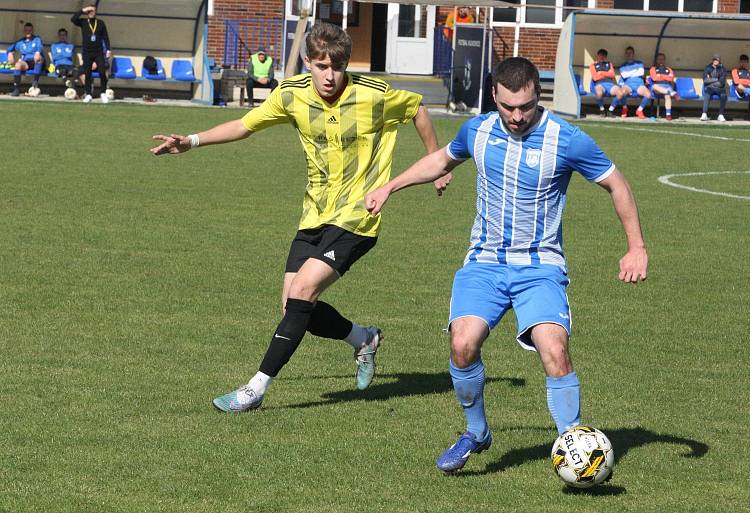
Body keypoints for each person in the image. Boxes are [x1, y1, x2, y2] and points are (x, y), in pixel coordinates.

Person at [364, 57, 648, 473]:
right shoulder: (476, 130)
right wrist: (391, 186)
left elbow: (616, 183)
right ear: (494, 95)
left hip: (540, 267)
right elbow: (442, 160)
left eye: (526, 107)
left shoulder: (566, 139)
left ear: (539, 96)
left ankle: (574, 445)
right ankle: (476, 433)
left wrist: (636, 246)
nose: (517, 116)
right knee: (462, 345)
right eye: (508, 107)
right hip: (484, 262)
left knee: (554, 350)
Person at [149, 22, 445, 413]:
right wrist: (192, 141)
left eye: (337, 67)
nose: (329, 75)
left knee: (304, 291)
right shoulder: (291, 95)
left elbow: (417, 109)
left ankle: (255, 389)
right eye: (321, 66)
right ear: (308, 62)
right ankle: (363, 338)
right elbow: (245, 124)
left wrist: (436, 162)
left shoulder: (373, 94)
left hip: (359, 216)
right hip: (314, 214)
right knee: (293, 307)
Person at [72, 4, 111, 103]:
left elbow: (105, 37)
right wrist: (82, 10)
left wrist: (108, 49)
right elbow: (73, 19)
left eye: (93, 11)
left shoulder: (101, 23)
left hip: (98, 52)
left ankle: (103, 93)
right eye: (89, 11)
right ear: (87, 12)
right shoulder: (84, 22)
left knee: (102, 73)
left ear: (96, 12)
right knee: (88, 74)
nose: (91, 13)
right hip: (87, 53)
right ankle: (88, 94)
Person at [6, 22, 44, 97]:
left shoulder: (37, 39)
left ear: (32, 31)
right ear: (24, 31)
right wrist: (9, 53)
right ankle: (16, 89)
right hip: (27, 62)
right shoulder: (20, 42)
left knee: (39, 58)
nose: (28, 32)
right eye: (26, 30)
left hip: (37, 62)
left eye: (30, 30)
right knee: (17, 65)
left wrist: (37, 52)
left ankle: (35, 82)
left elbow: (40, 48)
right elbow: (10, 49)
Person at [618, 46, 652, 119]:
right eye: (627, 53)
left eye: (630, 53)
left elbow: (641, 73)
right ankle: (624, 108)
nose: (629, 54)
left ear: (633, 54)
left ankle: (639, 110)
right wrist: (635, 71)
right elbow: (624, 75)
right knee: (621, 92)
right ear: (625, 54)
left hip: (639, 85)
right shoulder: (623, 65)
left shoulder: (639, 63)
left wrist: (629, 73)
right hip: (628, 85)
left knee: (648, 94)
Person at [590, 48, 624, 115]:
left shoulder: (609, 64)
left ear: (606, 57)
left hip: (610, 84)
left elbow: (612, 75)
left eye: (604, 55)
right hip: (599, 84)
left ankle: (610, 110)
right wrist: (607, 73)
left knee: (620, 93)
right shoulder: (593, 65)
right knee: (599, 93)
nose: (602, 57)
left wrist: (601, 73)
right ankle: (602, 110)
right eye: (600, 55)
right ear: (597, 56)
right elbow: (595, 77)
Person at [649, 52, 679, 121]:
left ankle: (668, 115)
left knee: (667, 95)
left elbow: (671, 78)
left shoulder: (669, 69)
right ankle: (670, 92)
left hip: (667, 86)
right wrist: (665, 77)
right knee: (654, 86)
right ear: (656, 60)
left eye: (662, 59)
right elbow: (654, 78)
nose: (661, 61)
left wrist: (660, 76)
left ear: (664, 60)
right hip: (657, 87)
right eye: (659, 59)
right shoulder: (653, 69)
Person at [701, 54, 727, 122]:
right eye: (714, 59)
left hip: (719, 88)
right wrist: (716, 79)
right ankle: (704, 114)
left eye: (717, 60)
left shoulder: (722, 69)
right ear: (712, 60)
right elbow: (705, 80)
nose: (716, 61)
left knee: (723, 95)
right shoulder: (708, 68)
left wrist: (711, 80)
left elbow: (722, 82)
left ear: (719, 61)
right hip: (710, 88)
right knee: (707, 93)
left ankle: (720, 115)